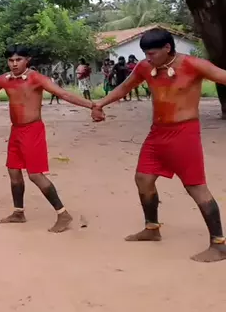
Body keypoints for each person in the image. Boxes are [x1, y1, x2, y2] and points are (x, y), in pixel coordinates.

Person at [91, 28, 226, 262]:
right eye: (145, 53)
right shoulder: (145, 67)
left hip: (184, 133)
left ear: (167, 48)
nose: (147, 58)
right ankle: (152, 228)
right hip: (157, 133)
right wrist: (100, 103)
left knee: (196, 187)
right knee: (143, 178)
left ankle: (219, 244)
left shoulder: (193, 65)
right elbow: (125, 87)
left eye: (152, 53)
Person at [0, 46, 97, 232]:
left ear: (27, 60)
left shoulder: (36, 78)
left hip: (32, 130)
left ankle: (63, 214)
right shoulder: (4, 79)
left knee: (35, 174)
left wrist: (92, 105)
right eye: (11, 60)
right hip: (16, 130)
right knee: (13, 171)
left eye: (18, 60)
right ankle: (18, 212)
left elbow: (63, 94)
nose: (14, 64)